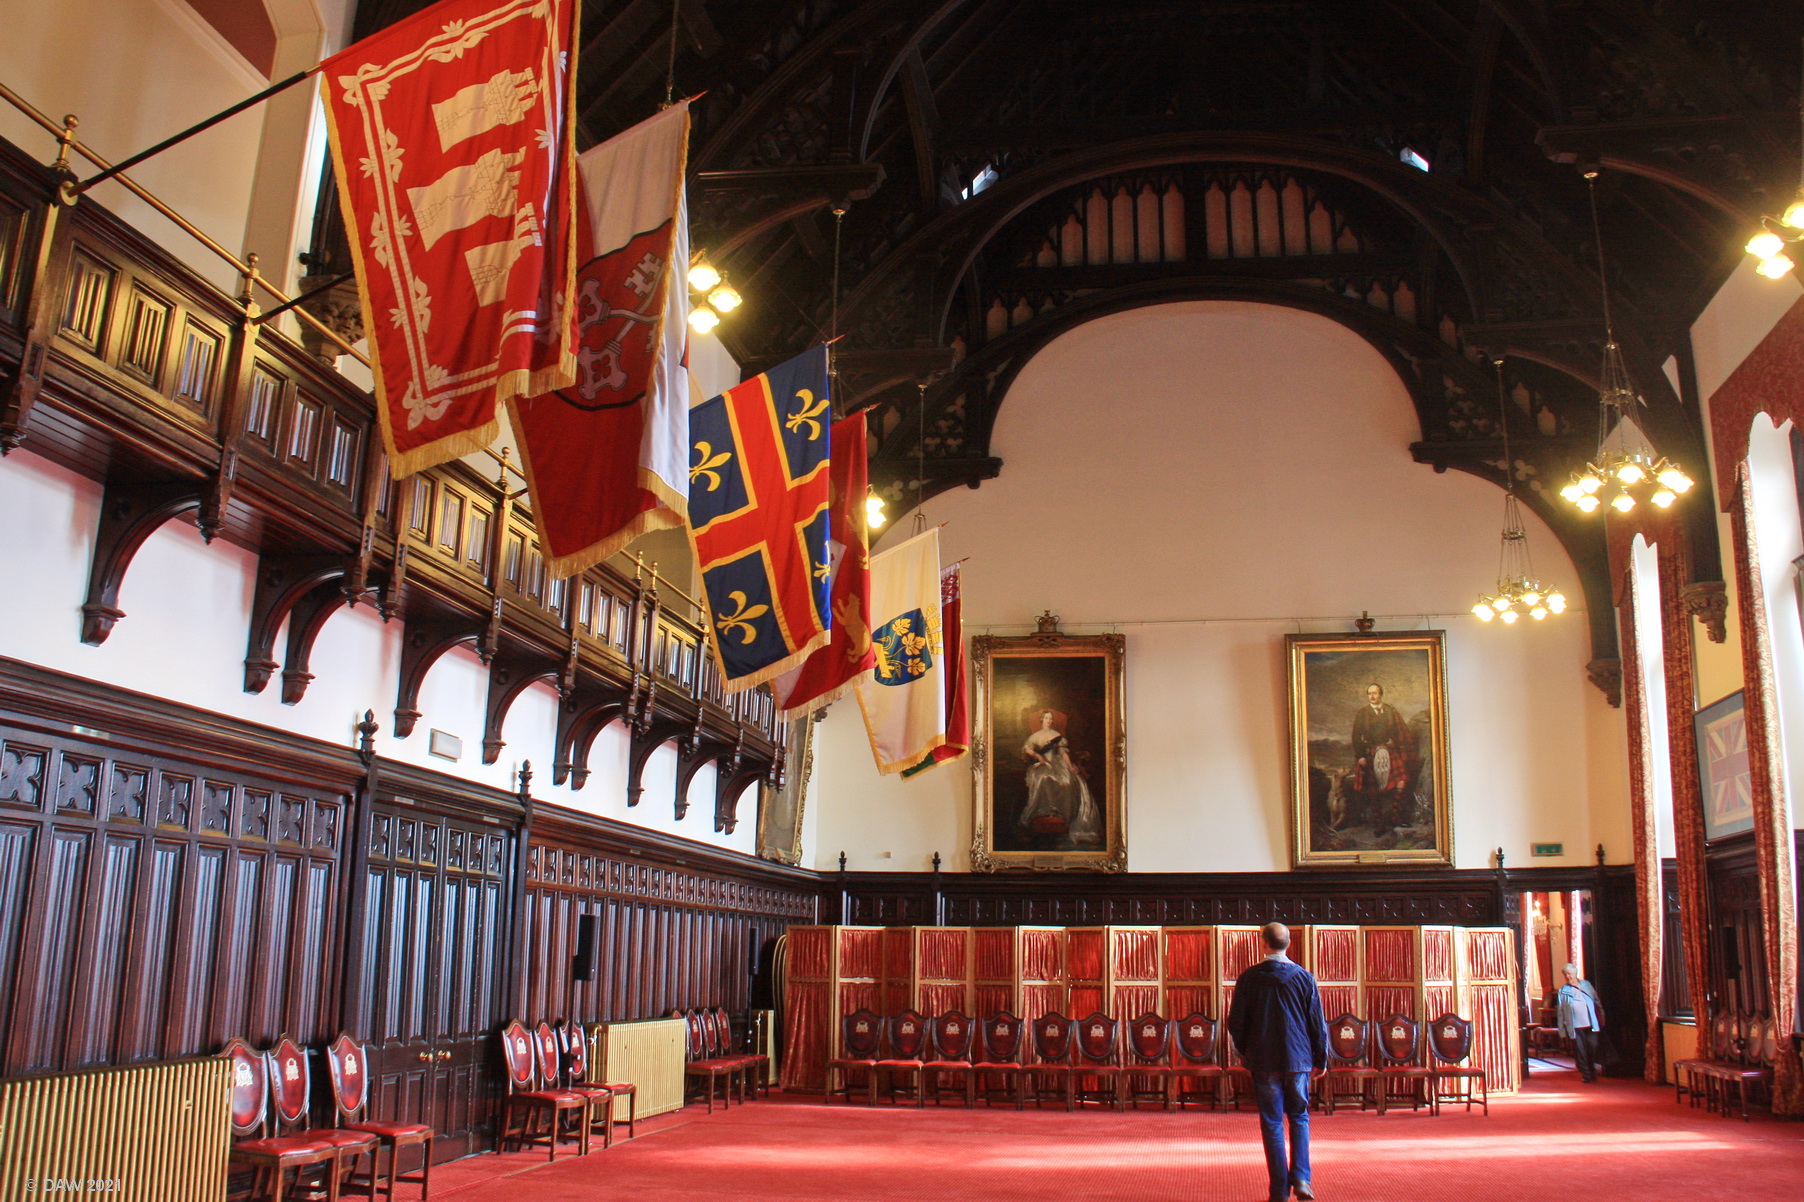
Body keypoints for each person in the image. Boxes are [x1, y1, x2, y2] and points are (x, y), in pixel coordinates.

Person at [1228, 923, 1328, 1202]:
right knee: (1299, 1117)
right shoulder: (1304, 978)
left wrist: (1247, 1051)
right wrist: (1320, 1058)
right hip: (1298, 1059)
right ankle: (1302, 1179)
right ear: (1288, 943)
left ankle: (1279, 1190)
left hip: (1263, 1059)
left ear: (1263, 943)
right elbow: (1316, 1024)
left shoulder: (1249, 978)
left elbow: (1236, 1023)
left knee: (1272, 1122)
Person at [1018, 710, 1101, 846]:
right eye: (1046, 718)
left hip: (1058, 764)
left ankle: (1064, 816)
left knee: (1067, 781)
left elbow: (1063, 753)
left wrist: (1070, 766)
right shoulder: (1035, 736)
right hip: (1042, 765)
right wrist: (1038, 756)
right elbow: (1027, 749)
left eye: (1051, 719)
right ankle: (1045, 812)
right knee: (1043, 779)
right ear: (1042, 720)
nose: (1049, 721)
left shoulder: (1057, 736)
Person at [1347, 683, 1417, 836]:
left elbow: (1398, 732)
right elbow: (1356, 736)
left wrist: (1394, 741)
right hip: (1370, 752)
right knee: (1374, 788)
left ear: (1381, 695)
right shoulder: (1363, 713)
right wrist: (1360, 756)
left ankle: (1395, 816)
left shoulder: (1390, 711)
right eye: (1370, 693)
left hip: (1389, 751)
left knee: (1402, 780)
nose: (1372, 696)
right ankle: (1379, 823)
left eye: (1375, 693)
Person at [1556, 963, 1604, 1082]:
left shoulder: (1586, 985)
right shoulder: (1563, 991)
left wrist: (1602, 1017)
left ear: (1575, 974)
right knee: (1580, 1051)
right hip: (1574, 1026)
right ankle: (1586, 1074)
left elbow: (1596, 1001)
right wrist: (1562, 1031)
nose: (1568, 976)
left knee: (1592, 1047)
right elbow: (1560, 1012)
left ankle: (1591, 1069)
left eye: (1569, 974)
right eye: (1565, 974)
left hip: (1591, 1024)